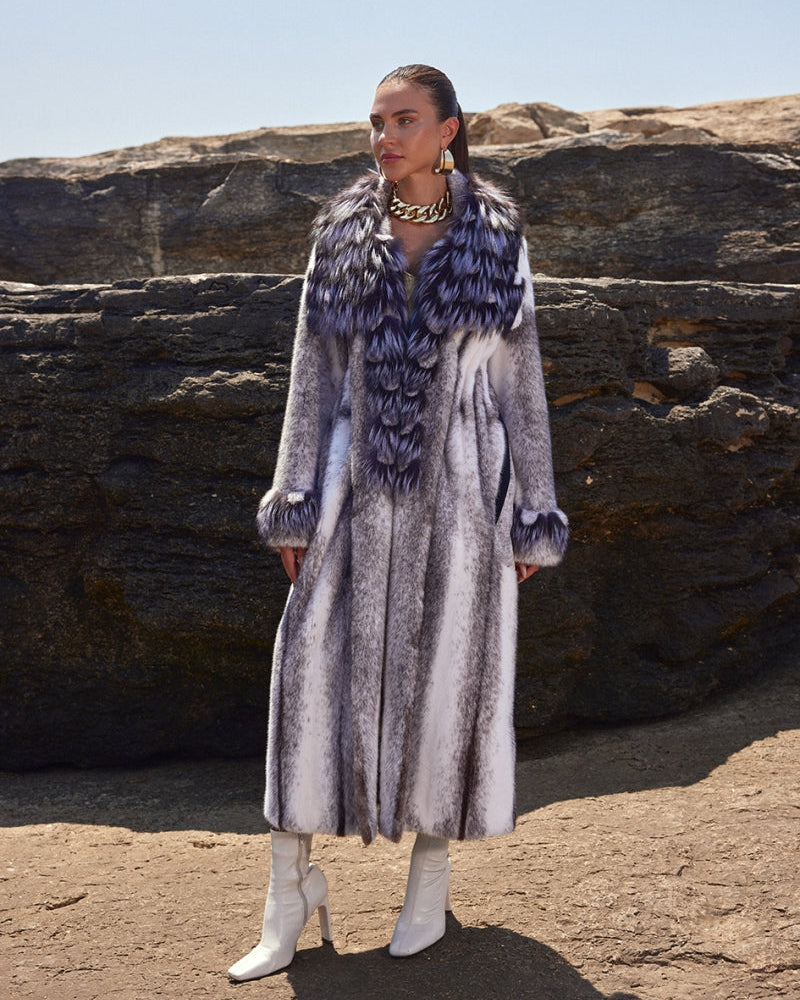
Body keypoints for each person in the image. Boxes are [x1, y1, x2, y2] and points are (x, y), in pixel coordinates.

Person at [228, 64, 568, 981]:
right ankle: (287, 894)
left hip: (464, 488)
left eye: (404, 120)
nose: (384, 135)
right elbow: (314, 376)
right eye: (376, 121)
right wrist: (295, 497)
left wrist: (532, 510)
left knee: (452, 675)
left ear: (449, 130)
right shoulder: (342, 232)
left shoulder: (497, 236)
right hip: (351, 484)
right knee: (307, 672)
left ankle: (430, 880)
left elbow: (517, 384)